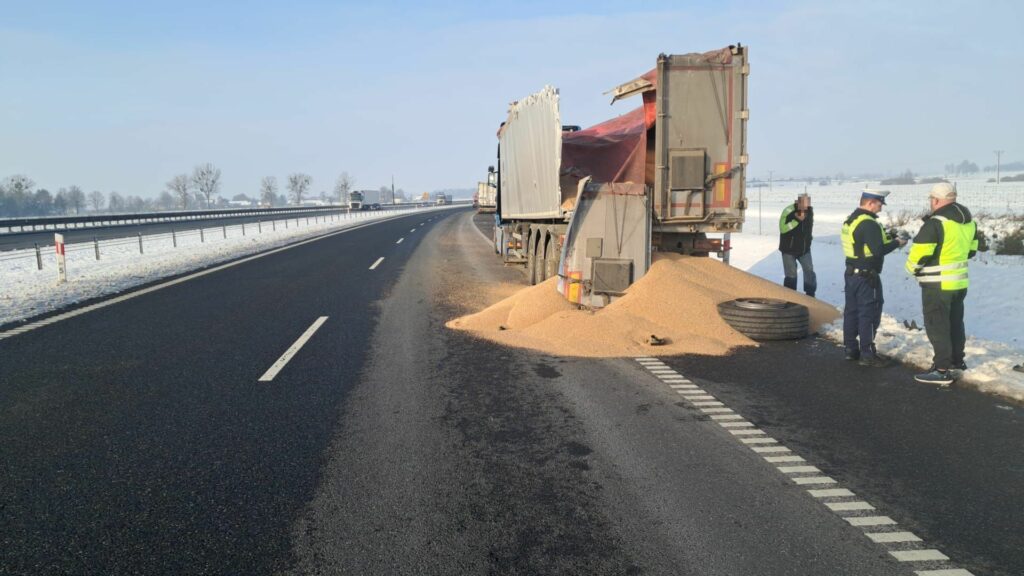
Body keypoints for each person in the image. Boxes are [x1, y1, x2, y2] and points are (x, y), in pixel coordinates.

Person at [905, 182, 979, 384]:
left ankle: (941, 369)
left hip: (936, 285)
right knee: (955, 323)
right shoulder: (969, 221)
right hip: (959, 283)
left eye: (931, 200)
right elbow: (972, 250)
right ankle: (956, 362)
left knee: (937, 326)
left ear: (936, 200)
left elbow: (919, 254)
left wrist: (911, 269)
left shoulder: (935, 223)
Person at [842, 189, 907, 367]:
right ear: (870, 203)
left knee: (852, 312)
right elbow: (878, 250)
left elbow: (865, 244)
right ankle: (867, 354)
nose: (881, 208)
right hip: (867, 277)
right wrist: (898, 243)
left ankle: (850, 349)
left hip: (851, 274)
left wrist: (888, 237)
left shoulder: (852, 219)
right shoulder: (869, 223)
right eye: (879, 204)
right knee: (869, 313)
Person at [779, 195, 816, 297]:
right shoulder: (788, 210)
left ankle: (810, 295)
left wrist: (808, 242)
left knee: (809, 270)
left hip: (804, 249)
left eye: (808, 203)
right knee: (791, 275)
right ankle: (790, 297)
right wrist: (797, 221)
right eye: (804, 203)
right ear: (798, 202)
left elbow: (809, 229)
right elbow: (783, 228)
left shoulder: (809, 211)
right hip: (788, 250)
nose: (806, 206)